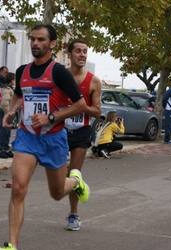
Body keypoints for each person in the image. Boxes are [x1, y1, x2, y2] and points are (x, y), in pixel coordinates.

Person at [0, 24, 90, 250]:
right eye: (33, 39)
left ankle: (76, 180)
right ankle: (12, 248)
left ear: (52, 44)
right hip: (27, 137)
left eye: (41, 40)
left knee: (57, 193)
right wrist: (12, 111)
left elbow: (80, 105)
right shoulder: (22, 70)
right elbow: (19, 94)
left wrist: (52, 117)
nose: (36, 43)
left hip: (53, 138)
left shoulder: (59, 73)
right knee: (18, 188)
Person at [64, 40, 102, 231]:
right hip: (60, 130)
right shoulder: (60, 76)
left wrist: (80, 107)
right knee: (61, 175)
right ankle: (75, 184)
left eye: (85, 51)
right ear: (69, 54)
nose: (82, 55)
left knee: (74, 174)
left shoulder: (93, 81)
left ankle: (73, 214)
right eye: (78, 51)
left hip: (81, 131)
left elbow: (97, 112)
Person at [0, 72, 15, 159]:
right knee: (3, 131)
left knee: (7, 132)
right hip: (5, 112)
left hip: (8, 112)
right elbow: (4, 103)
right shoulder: (7, 89)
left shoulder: (10, 88)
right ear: (12, 80)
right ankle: (0, 150)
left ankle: (6, 148)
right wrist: (8, 113)